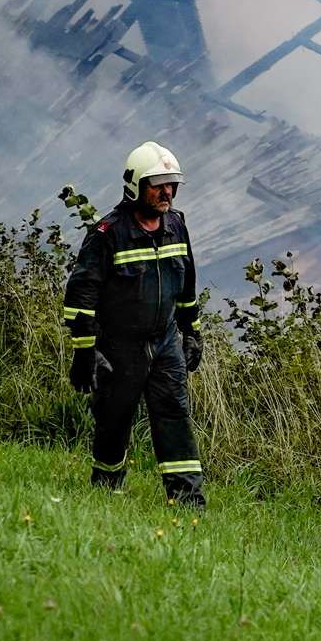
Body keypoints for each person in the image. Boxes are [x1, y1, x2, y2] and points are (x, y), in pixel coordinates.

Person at [63, 141, 205, 507]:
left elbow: (187, 284)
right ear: (135, 186)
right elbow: (81, 297)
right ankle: (106, 489)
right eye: (157, 185)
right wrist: (85, 352)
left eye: (171, 184)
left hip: (165, 342)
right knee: (114, 418)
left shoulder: (177, 225)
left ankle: (187, 501)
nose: (167, 192)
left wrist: (192, 331)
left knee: (174, 414)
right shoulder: (107, 234)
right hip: (119, 347)